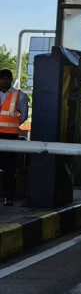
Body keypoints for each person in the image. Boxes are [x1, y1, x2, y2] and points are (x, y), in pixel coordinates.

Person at [0, 69, 29, 207]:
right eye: (2, 78)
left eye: (7, 78)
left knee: (8, 169)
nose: (4, 81)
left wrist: (11, 125)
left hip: (10, 136)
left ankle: (8, 197)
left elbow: (23, 116)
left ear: (11, 80)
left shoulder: (19, 96)